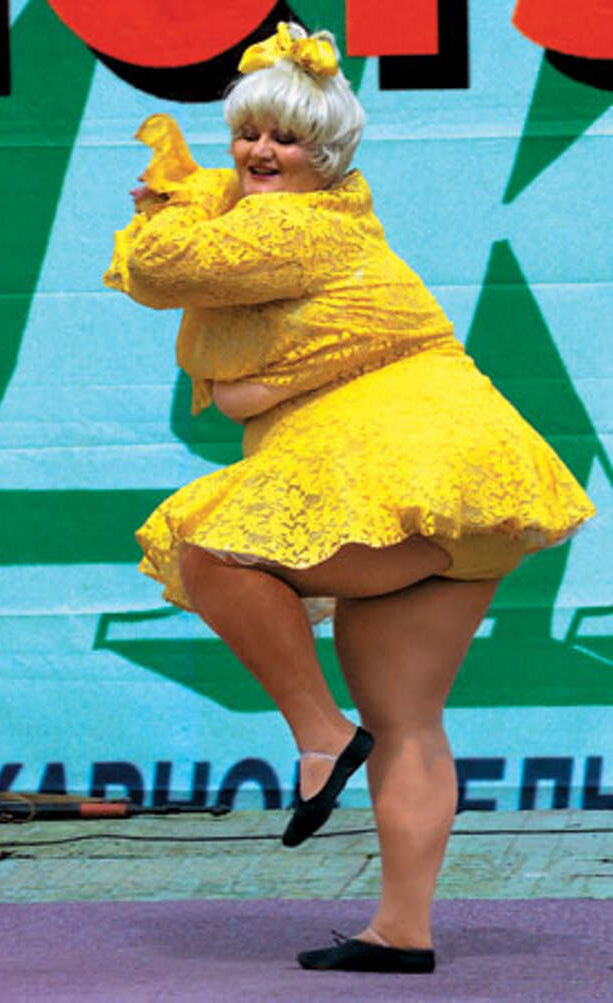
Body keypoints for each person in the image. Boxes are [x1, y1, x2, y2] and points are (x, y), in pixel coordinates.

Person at [104, 22, 595, 973]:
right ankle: (402, 931)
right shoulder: (318, 230)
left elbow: (160, 269)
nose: (260, 151)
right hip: (468, 495)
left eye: (286, 138)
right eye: (248, 132)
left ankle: (321, 736)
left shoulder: (296, 227)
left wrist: (167, 198)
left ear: (325, 153)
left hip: (409, 475)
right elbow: (244, 380)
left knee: (208, 544)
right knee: (406, 718)